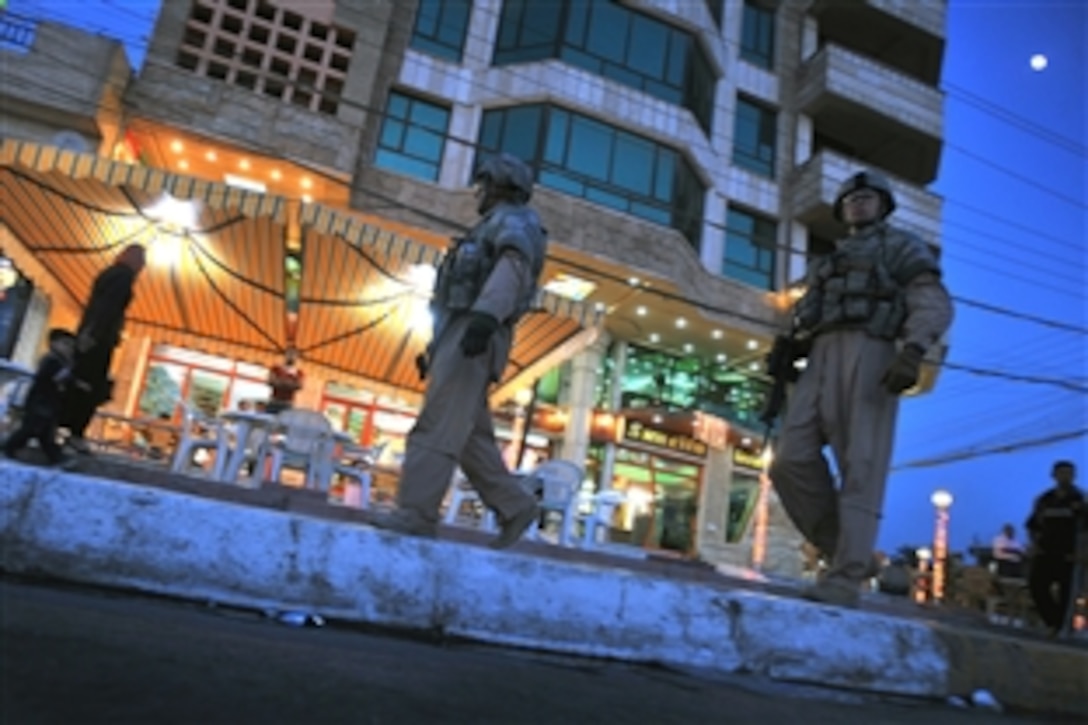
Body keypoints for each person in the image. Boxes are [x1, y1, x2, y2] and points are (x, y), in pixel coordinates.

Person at [767, 171, 954, 608]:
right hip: (821, 355)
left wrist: (913, 350)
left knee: (861, 467)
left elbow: (930, 297)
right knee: (789, 460)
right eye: (851, 199)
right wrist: (787, 346)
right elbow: (806, 312)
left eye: (867, 197)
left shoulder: (900, 245)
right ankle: (848, 551)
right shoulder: (828, 261)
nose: (858, 203)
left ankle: (846, 576)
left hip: (871, 351)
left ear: (883, 205)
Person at [370, 153, 545, 548]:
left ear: (502, 186)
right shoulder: (493, 224)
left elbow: (511, 270)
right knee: (468, 436)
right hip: (461, 332)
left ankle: (415, 514)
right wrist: (436, 349)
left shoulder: (515, 222)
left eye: (485, 185)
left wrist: (484, 319)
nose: (479, 193)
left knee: (437, 425)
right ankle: (516, 507)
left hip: (475, 331)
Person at [62, 243, 146, 454]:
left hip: (90, 334)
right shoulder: (123, 279)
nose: (143, 266)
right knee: (91, 385)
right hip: (99, 340)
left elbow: (99, 306)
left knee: (79, 381)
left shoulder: (108, 275)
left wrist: (87, 332)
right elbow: (108, 308)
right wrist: (97, 334)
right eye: (141, 261)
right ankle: (76, 430)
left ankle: (61, 422)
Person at [1025, 461, 1084, 635]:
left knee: (1067, 593)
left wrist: (1082, 552)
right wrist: (1034, 546)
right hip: (1045, 552)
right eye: (1062, 473)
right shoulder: (1045, 500)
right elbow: (1033, 526)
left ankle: (1062, 628)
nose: (1065, 477)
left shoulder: (1080, 500)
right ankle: (1053, 621)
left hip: (1069, 554)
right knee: (1037, 586)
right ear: (1054, 475)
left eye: (1069, 473)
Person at [3, 328, 76, 466]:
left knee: (44, 432)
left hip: (48, 402)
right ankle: (9, 448)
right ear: (54, 344)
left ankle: (56, 458)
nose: (69, 349)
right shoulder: (51, 361)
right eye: (65, 344)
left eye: (71, 346)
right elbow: (51, 379)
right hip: (41, 401)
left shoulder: (60, 362)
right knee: (33, 429)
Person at [267, 347, 304, 415]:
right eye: (289, 354)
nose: (291, 357)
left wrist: (280, 381)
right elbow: (270, 381)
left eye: (293, 355)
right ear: (285, 355)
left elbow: (299, 386)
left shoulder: (299, 373)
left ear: (297, 358)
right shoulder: (276, 369)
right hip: (274, 401)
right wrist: (290, 383)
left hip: (287, 403)